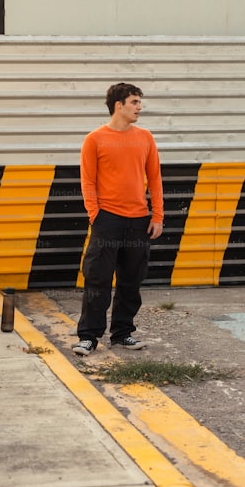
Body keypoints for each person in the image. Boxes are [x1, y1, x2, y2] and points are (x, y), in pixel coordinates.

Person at [73, 83, 164, 356]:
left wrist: (157, 215)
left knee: (130, 281)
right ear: (119, 105)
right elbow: (87, 181)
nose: (139, 107)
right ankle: (89, 337)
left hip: (138, 220)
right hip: (107, 219)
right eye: (135, 102)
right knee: (97, 279)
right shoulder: (95, 139)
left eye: (139, 102)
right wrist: (95, 214)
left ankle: (122, 334)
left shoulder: (145, 137)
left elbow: (156, 178)